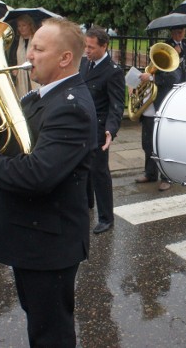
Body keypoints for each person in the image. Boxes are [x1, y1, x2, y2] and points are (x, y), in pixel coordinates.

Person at [0, 18, 97, 347]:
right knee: (39, 322)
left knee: (51, 333)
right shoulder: (36, 98)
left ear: (65, 58)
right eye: (30, 46)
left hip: (50, 244)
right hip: (33, 235)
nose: (29, 55)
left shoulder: (72, 108)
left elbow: (37, 174)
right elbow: (11, 141)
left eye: (39, 49)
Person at [80, 27, 126, 234]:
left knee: (99, 172)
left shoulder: (113, 71)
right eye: (85, 46)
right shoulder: (83, 63)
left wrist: (111, 130)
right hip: (82, 126)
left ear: (104, 46)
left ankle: (106, 217)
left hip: (99, 129)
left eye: (91, 47)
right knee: (83, 168)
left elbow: (117, 105)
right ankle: (88, 203)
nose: (87, 50)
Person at [135, 28, 186, 192]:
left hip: (165, 102)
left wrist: (151, 77)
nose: (179, 33)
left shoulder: (185, 49)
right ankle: (150, 173)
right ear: (172, 32)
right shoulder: (164, 47)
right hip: (150, 102)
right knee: (147, 141)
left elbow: (175, 77)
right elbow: (150, 69)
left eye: (182, 31)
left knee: (163, 143)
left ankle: (166, 177)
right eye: (177, 31)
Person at [7, 14, 40, 97]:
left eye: (24, 25)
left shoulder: (37, 40)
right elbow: (11, 59)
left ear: (30, 26)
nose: (21, 28)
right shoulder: (16, 42)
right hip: (20, 76)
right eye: (19, 26)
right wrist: (14, 68)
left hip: (36, 73)